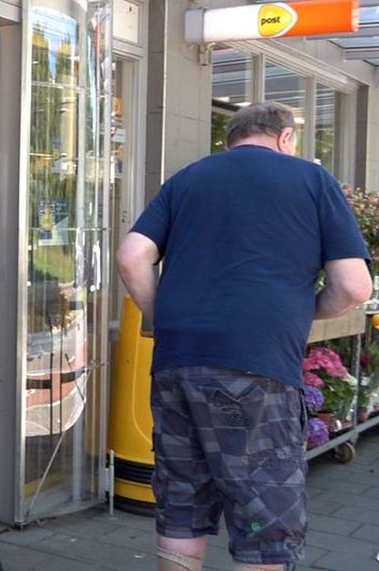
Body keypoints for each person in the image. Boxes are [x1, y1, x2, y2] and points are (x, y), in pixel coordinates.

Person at [116, 101, 372, 571]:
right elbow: (355, 286)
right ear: (286, 138)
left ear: (230, 139)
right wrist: (302, 312)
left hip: (178, 361)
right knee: (263, 512)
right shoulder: (313, 180)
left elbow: (132, 256)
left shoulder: (188, 178)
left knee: (182, 496)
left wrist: (163, 315)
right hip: (257, 364)